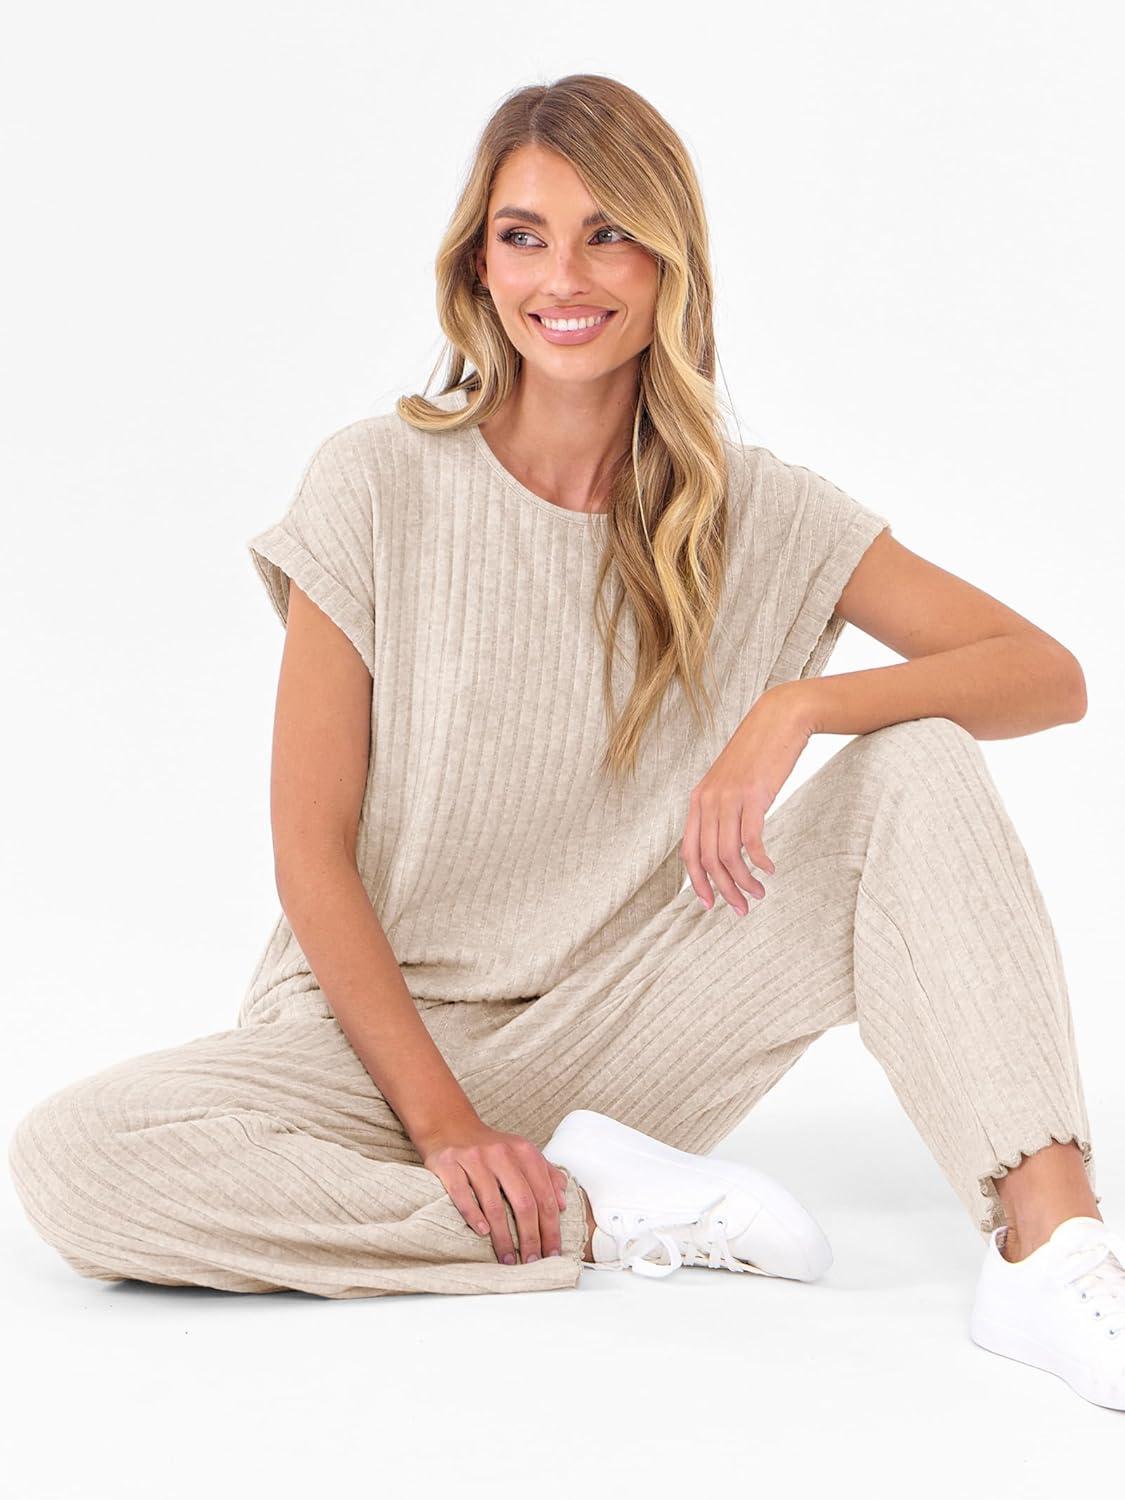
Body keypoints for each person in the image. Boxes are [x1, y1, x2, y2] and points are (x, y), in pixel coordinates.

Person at [9, 73, 1123, 1411]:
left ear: (668, 262)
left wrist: (799, 708)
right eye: (523, 235)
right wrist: (446, 1126)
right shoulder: (376, 482)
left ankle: (1052, 1250)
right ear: (477, 264)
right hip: (372, 1046)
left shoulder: (762, 513)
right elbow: (310, 853)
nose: (564, 277)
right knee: (77, 1159)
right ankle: (595, 1210)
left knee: (918, 760)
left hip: (630, 1036)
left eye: (609, 234)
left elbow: (1043, 676)